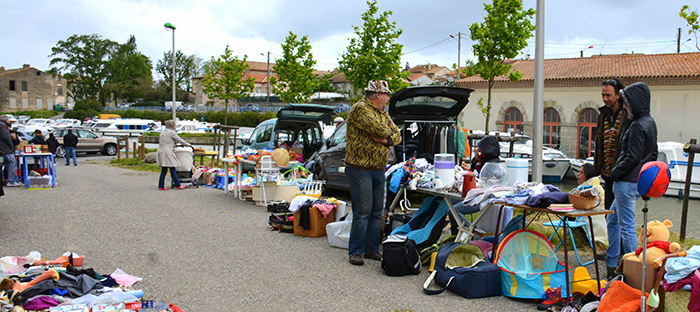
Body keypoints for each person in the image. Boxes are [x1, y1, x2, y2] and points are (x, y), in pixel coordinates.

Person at [345, 80, 401, 266]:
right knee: (363, 212)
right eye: (386, 95)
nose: (388, 99)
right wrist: (387, 136)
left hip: (378, 169)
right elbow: (381, 129)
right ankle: (356, 251)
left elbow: (397, 135)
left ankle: (371, 249)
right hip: (360, 169)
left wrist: (386, 142)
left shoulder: (382, 113)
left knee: (377, 211)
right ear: (377, 94)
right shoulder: (360, 109)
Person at [605, 82, 658, 279]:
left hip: (626, 182)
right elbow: (653, 152)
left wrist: (615, 173)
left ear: (634, 102)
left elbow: (632, 156)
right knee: (613, 220)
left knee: (626, 226)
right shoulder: (650, 122)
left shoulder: (637, 125)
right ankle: (612, 263)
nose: (625, 107)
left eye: (627, 103)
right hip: (636, 181)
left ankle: (631, 269)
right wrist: (646, 179)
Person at [594, 78, 631, 211]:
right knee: (609, 212)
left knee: (622, 213)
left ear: (618, 95)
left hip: (622, 173)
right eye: (603, 95)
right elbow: (599, 143)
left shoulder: (628, 115)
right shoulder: (603, 114)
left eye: (608, 95)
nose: (605, 99)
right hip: (607, 173)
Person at [156, 120, 191, 190]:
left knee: (164, 170)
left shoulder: (164, 132)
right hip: (167, 152)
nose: (175, 127)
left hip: (161, 151)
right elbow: (179, 139)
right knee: (172, 168)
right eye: (175, 125)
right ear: (172, 126)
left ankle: (161, 186)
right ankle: (178, 184)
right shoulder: (171, 132)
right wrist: (187, 144)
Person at [0, 115, 22, 186]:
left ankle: (12, 179)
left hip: (3, 149)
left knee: (8, 164)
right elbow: (6, 137)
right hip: (6, 149)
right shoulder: (3, 126)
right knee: (12, 163)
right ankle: (11, 181)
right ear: (6, 120)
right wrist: (11, 146)